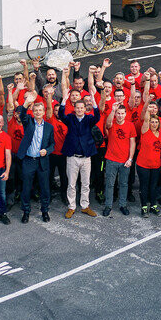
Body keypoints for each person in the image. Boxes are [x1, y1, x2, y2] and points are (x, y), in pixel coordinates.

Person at [59, 65, 102, 219]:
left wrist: (94, 101)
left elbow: (97, 117)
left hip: (86, 158)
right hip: (72, 157)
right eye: (77, 107)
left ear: (85, 108)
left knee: (85, 184)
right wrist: (64, 100)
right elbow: (61, 115)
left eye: (82, 108)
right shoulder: (69, 118)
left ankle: (85, 205)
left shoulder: (90, 119)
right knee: (71, 184)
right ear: (74, 108)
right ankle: (71, 206)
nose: (79, 110)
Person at [13, 93, 55, 223]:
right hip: (29, 160)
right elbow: (23, 114)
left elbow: (52, 144)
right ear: (33, 111)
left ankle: (45, 211)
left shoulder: (49, 127)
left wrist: (47, 151)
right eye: (35, 110)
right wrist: (26, 103)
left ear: (43, 112)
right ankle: (26, 212)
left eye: (40, 110)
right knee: (26, 187)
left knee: (44, 188)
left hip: (42, 161)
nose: (37, 112)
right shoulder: (28, 123)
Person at [102, 104, 136, 216]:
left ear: (125, 114)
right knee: (110, 184)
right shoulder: (112, 123)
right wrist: (112, 110)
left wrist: (130, 159)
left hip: (124, 161)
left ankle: (122, 205)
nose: (120, 116)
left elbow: (132, 143)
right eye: (118, 113)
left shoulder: (130, 125)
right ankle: (108, 206)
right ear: (115, 114)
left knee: (123, 184)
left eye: (122, 113)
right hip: (111, 159)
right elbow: (107, 124)